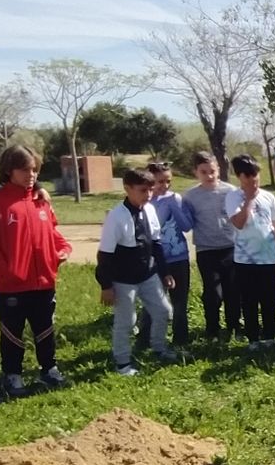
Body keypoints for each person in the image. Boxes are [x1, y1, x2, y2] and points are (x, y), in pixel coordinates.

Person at [0, 145, 72, 397]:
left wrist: (62, 250)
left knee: (45, 329)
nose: (30, 175)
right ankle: (13, 376)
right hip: (11, 286)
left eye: (34, 169)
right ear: (8, 170)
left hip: (44, 282)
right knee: (12, 333)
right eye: (24, 169)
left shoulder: (41, 201)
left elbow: (53, 233)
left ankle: (50, 370)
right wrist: (5, 274)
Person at [97, 169, 180, 375]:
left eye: (151, 189)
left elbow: (157, 243)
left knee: (164, 311)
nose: (148, 194)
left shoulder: (150, 210)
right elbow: (104, 255)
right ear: (127, 189)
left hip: (148, 273)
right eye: (143, 190)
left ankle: (159, 348)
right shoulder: (116, 216)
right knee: (127, 321)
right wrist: (106, 286)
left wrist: (165, 272)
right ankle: (123, 363)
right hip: (123, 278)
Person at [181, 151, 240, 341]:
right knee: (213, 292)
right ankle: (212, 330)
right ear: (195, 172)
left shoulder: (230, 191)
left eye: (212, 171)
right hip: (206, 249)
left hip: (230, 247)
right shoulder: (190, 196)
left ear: (219, 169)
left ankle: (234, 327)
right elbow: (187, 222)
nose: (209, 176)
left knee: (232, 289)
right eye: (204, 172)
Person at [226, 155, 275, 350]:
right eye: (247, 176)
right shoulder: (233, 197)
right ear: (239, 176)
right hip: (245, 260)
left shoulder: (269, 197)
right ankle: (253, 338)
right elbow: (239, 223)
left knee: (269, 299)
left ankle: (269, 335)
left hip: (269, 257)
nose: (253, 179)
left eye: (255, 174)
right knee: (249, 300)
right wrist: (249, 199)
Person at [140, 161, 192, 348]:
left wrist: (174, 206)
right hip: (154, 261)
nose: (165, 186)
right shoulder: (145, 202)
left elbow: (187, 226)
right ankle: (145, 340)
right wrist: (163, 206)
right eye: (160, 181)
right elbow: (153, 229)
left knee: (180, 303)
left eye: (168, 181)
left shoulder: (175, 199)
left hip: (178, 258)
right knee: (151, 303)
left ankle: (180, 341)